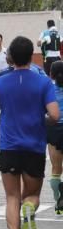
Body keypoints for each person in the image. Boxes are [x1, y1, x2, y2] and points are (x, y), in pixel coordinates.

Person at [0, 36, 59, 229]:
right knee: (32, 195)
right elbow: (55, 115)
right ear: (32, 56)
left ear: (10, 58)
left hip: (8, 147)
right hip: (34, 147)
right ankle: (29, 209)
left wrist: (8, 116)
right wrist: (39, 118)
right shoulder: (43, 82)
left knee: (11, 197)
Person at [47, 62, 63, 214]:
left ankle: (57, 197)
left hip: (53, 129)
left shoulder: (48, 89)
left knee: (56, 169)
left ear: (51, 74)